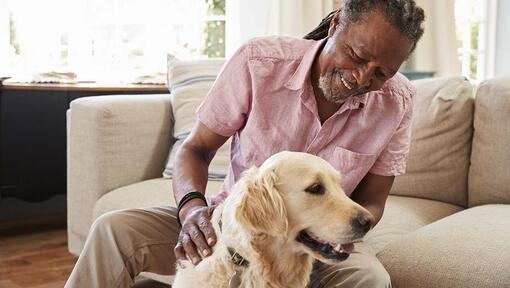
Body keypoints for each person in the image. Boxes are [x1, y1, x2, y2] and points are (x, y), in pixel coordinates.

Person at [65, 0, 424, 287]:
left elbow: (372, 202)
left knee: (369, 280)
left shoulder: (399, 102)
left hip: (320, 241)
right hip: (232, 222)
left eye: (381, 73)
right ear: (334, 27)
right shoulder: (259, 62)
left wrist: (328, 237)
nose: (362, 77)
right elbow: (196, 149)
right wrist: (191, 211)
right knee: (114, 232)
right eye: (357, 56)